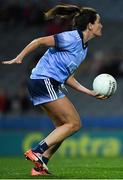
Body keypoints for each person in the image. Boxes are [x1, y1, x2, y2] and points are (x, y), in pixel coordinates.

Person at [2, 4, 108, 176]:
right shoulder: (72, 38)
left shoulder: (84, 48)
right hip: (44, 81)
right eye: (99, 22)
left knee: (62, 127)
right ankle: (37, 151)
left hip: (47, 82)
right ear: (90, 25)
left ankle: (40, 166)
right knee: (74, 124)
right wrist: (19, 57)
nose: (101, 25)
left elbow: (68, 76)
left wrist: (90, 92)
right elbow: (39, 41)